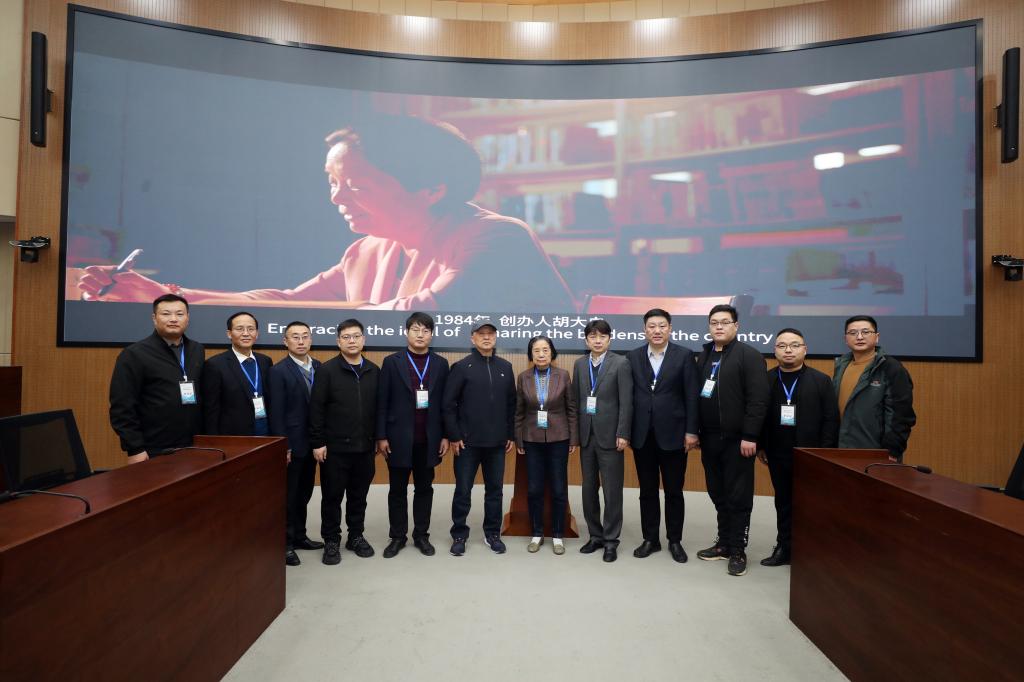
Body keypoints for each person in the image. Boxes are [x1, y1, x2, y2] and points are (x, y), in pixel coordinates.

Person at [76, 115, 576, 312]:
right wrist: (170, 297)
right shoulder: (369, 250)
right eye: (332, 182)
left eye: (355, 186)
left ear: (431, 189)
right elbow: (287, 300)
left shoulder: (496, 237)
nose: (337, 198)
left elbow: (411, 317)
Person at [695, 304, 769, 577]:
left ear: (736, 326)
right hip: (710, 438)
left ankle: (738, 550)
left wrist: (750, 435)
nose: (719, 327)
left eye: (725, 322)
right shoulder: (705, 355)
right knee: (718, 493)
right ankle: (724, 543)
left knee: (738, 497)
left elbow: (758, 400)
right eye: (714, 322)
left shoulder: (749, 356)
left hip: (738, 441)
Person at [756, 328, 839, 567]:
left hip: (810, 454)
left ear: (805, 349)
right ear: (775, 351)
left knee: (811, 503)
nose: (788, 350)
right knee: (783, 501)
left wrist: (824, 453)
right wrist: (761, 445)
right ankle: (784, 546)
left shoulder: (820, 380)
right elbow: (758, 415)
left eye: (794, 345)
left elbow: (831, 419)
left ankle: (811, 549)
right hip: (777, 452)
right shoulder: (766, 380)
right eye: (782, 346)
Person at [626, 309, 699, 563]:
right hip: (642, 435)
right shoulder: (633, 356)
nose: (656, 330)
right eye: (651, 326)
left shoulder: (684, 355)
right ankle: (651, 539)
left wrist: (692, 431)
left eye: (662, 326)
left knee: (673, 491)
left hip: (675, 434)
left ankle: (675, 541)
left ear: (670, 328)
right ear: (644, 330)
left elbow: (692, 396)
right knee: (647, 491)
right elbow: (629, 397)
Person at [376, 312, 450, 558]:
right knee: (397, 490)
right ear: (406, 332)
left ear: (431, 335)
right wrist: (381, 436)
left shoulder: (440, 363)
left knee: (424, 489)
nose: (420, 335)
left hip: (428, 440)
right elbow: (382, 401)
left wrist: (445, 435)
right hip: (397, 439)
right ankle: (397, 536)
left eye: (425, 331)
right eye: (415, 330)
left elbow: (445, 404)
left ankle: (421, 535)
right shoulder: (391, 362)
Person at [442, 318, 516, 556]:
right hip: (467, 443)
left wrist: (510, 434)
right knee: (463, 491)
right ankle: (459, 535)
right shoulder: (462, 367)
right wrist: (454, 435)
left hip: (497, 443)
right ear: (472, 338)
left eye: (490, 333)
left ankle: (492, 533)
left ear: (495, 337)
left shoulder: (505, 367)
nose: (486, 337)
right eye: (481, 333)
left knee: (495, 491)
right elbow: (448, 405)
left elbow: (512, 404)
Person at [309, 320, 380, 566]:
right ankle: (331, 540)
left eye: (356, 336)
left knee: (359, 496)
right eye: (346, 337)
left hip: (365, 448)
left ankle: (355, 536)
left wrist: (377, 439)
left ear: (364, 340)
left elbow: (379, 409)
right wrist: (318, 442)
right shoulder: (327, 370)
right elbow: (316, 409)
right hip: (335, 449)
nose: (352, 341)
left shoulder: (373, 370)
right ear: (338, 341)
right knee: (332, 497)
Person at [109, 294, 205, 464]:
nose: (173, 319)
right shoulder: (134, 354)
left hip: (194, 446)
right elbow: (122, 407)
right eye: (166, 314)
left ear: (187, 318)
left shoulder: (197, 349)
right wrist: (135, 448)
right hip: (154, 448)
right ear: (154, 318)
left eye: (179, 314)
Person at [571, 319, 632, 563]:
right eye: (593, 337)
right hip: (587, 436)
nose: (597, 341)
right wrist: (575, 435)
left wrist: (623, 433)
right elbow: (575, 401)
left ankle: (611, 540)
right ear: (586, 340)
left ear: (609, 339)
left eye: (602, 336)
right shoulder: (579, 364)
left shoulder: (621, 363)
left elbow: (626, 401)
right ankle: (595, 535)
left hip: (611, 437)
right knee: (588, 489)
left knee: (612, 490)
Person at [268, 321, 325, 567]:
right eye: (295, 337)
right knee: (289, 497)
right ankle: (286, 543)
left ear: (311, 339)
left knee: (304, 493)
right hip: (293, 444)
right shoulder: (278, 371)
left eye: (305, 336)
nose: (301, 341)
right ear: (285, 341)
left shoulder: (320, 367)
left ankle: (300, 536)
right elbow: (276, 413)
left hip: (314, 444)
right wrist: (284, 446)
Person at [516, 335, 578, 555]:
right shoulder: (523, 377)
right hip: (531, 439)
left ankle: (558, 535)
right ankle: (537, 533)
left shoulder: (563, 375)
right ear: (530, 355)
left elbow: (571, 409)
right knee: (534, 489)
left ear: (552, 353)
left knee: (559, 488)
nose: (541, 354)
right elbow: (519, 411)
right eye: (536, 351)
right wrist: (519, 438)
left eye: (545, 350)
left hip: (559, 439)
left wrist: (573, 438)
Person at [833, 315, 916, 462]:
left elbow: (901, 416)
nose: (859, 337)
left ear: (877, 337)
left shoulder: (891, 368)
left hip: (877, 454)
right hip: (842, 450)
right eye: (853, 333)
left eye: (866, 332)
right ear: (845, 339)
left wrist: (892, 451)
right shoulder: (841, 365)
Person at [202, 312, 274, 436]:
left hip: (265, 434)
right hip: (234, 437)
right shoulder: (215, 365)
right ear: (229, 334)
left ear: (257, 334)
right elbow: (211, 410)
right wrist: (213, 440)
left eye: (251, 329)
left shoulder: (265, 361)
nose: (246, 333)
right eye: (240, 329)